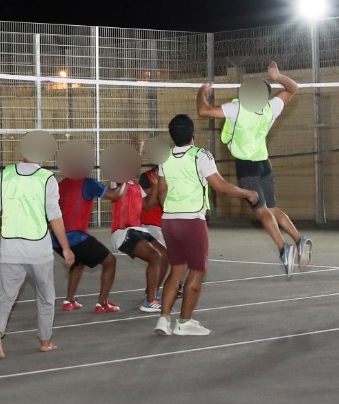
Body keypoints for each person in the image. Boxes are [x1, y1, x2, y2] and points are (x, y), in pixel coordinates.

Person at [196, 61, 313, 276]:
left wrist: (201, 92)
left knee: (261, 212)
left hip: (247, 167)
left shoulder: (237, 108)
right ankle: (299, 239)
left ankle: (283, 248)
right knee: (272, 209)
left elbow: (203, 111)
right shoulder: (271, 107)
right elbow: (293, 88)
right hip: (264, 164)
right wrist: (277, 76)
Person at [153, 114, 258, 337]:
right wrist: (247, 193)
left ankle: (163, 319)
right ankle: (184, 322)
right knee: (197, 271)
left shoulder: (165, 157)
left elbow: (161, 191)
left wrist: (171, 210)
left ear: (172, 136)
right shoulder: (201, 155)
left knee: (176, 270)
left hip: (169, 220)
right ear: (192, 133)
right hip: (192, 221)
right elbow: (221, 187)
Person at [0, 132, 74, 358]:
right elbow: (54, 215)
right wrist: (65, 247)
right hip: (39, 250)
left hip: (11, 248)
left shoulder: (6, 174)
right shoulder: (47, 178)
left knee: (5, 297)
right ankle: (45, 342)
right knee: (46, 298)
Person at [55, 148, 119, 314]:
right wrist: (125, 179)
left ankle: (69, 301)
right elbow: (115, 195)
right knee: (110, 262)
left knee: (78, 260)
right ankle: (102, 304)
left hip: (56, 239)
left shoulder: (61, 184)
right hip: (74, 236)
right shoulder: (87, 183)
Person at [104, 172, 169, 313]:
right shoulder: (119, 182)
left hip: (137, 229)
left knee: (164, 255)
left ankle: (151, 294)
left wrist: (155, 187)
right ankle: (150, 301)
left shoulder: (136, 186)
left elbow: (148, 205)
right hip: (123, 231)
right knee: (155, 256)